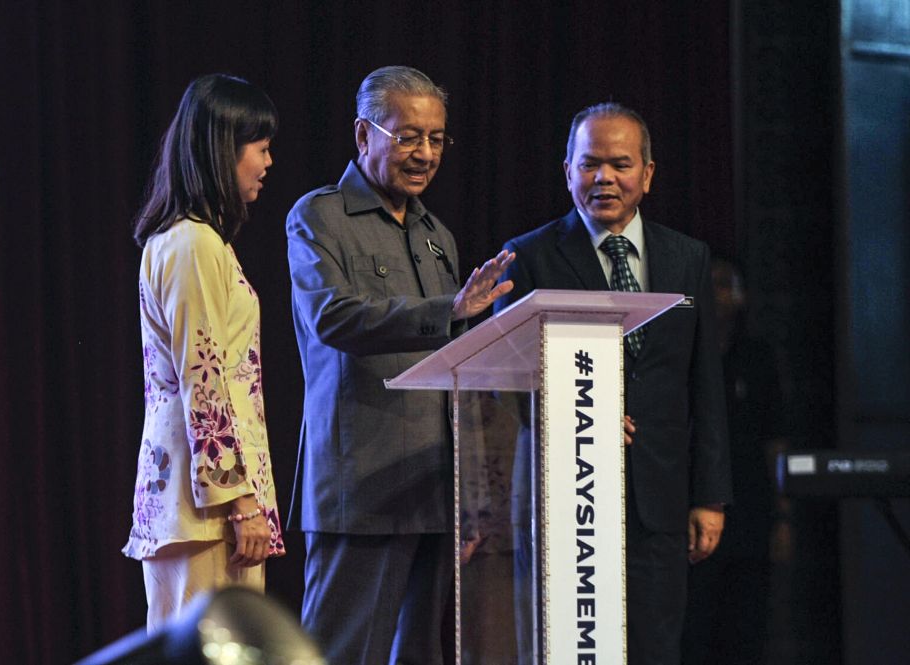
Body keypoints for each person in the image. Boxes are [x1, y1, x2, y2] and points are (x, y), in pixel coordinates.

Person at [286, 65, 514, 665]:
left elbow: (458, 361)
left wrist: (473, 495)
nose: (425, 153)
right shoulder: (319, 216)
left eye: (437, 138)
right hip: (362, 486)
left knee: (420, 656)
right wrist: (451, 307)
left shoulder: (437, 234)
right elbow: (332, 317)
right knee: (340, 654)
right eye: (408, 136)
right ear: (364, 136)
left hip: (431, 487)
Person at [494, 102, 732, 665]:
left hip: (661, 502)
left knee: (654, 648)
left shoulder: (688, 257)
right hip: (565, 502)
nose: (604, 178)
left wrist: (710, 496)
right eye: (589, 164)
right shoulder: (528, 258)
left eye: (620, 164)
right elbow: (505, 381)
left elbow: (706, 385)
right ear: (568, 172)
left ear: (647, 175)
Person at [122, 74, 285, 633]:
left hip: (200, 507)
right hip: (205, 512)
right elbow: (204, 380)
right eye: (259, 148)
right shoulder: (193, 243)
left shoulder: (191, 241)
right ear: (224, 149)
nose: (267, 162)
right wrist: (240, 500)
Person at [681, 256, 791, 665]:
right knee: (695, 627)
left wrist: (783, 518)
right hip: (692, 511)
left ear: (742, 297)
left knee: (746, 628)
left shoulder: (758, 359)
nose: (717, 295)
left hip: (751, 511)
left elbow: (775, 443)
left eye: (726, 285)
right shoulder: (681, 357)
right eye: (709, 285)